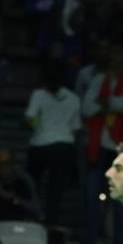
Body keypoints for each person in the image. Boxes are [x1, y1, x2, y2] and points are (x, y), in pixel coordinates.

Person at [24, 59, 82, 225]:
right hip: (64, 148)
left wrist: (39, 124)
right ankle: (51, 224)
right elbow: (75, 128)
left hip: (40, 146)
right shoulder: (74, 98)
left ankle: (31, 222)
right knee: (55, 192)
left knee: (32, 187)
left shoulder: (39, 95)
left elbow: (30, 119)